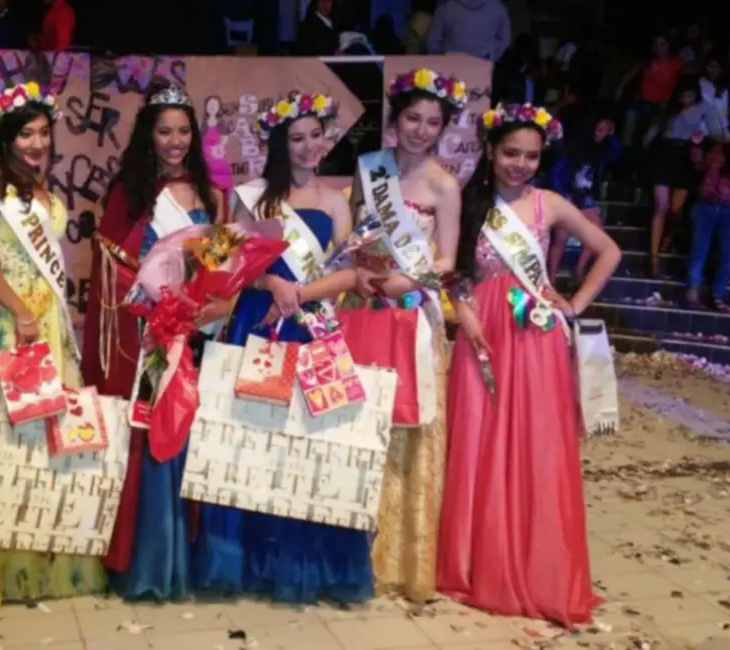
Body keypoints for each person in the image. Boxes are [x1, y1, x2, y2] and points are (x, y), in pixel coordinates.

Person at [438, 103, 620, 627]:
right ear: (490, 151)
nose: (519, 164)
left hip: (535, 335)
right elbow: (451, 272)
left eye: (531, 156)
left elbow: (608, 252)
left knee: (536, 443)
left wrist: (574, 304)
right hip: (482, 333)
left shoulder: (549, 203)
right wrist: (464, 313)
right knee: (479, 440)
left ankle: (534, 563)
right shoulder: (468, 202)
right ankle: (478, 562)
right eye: (510, 153)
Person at [192, 91, 375, 604]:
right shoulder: (252, 197)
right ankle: (244, 556)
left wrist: (299, 292)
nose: (309, 146)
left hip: (311, 325)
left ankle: (304, 561)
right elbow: (219, 261)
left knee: (312, 442)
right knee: (255, 435)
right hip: (260, 324)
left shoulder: (336, 200)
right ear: (278, 143)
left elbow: (350, 271)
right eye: (297, 138)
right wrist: (269, 282)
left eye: (316, 135)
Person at [0, 82, 104, 612]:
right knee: (2, 449)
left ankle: (43, 562)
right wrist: (19, 309)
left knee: (51, 445)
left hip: (48, 324)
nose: (37, 143)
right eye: (25, 134)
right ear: (6, 138)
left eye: (42, 133)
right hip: (9, 326)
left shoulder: (40, 187)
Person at [80, 80, 225, 599]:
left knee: (188, 431)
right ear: (149, 135)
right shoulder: (129, 193)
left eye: (184, 131)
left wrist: (208, 304)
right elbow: (110, 267)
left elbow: (218, 267)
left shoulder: (211, 195)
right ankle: (146, 559)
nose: (175, 141)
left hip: (193, 333)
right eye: (165, 132)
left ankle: (186, 553)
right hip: (147, 335)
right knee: (148, 434)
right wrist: (155, 307)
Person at [342, 68, 466, 603]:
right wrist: (360, 269)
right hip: (362, 304)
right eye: (413, 118)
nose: (420, 130)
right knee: (361, 418)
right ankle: (349, 550)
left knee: (409, 424)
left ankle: (400, 556)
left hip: (413, 313)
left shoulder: (445, 185)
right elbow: (352, 234)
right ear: (397, 119)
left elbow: (447, 259)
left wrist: (407, 281)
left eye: (432, 122)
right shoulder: (369, 167)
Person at [643, 75, 729, 276]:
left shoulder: (704, 107)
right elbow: (651, 134)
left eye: (690, 94)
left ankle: (668, 238)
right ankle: (654, 259)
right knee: (661, 205)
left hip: (685, 155)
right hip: (664, 153)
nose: (687, 98)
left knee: (675, 209)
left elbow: (720, 135)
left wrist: (704, 136)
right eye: (684, 94)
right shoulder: (669, 107)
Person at [547, 110, 622, 279]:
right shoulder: (573, 147)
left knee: (596, 233)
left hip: (586, 198)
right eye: (600, 129)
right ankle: (551, 278)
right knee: (561, 237)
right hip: (567, 195)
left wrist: (612, 136)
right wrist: (563, 196)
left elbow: (616, 154)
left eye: (605, 130)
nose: (602, 134)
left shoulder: (603, 149)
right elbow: (556, 173)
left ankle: (579, 270)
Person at [685, 129, 730, 310]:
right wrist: (696, 145)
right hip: (707, 205)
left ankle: (718, 294)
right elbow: (699, 165)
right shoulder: (719, 151)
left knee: (727, 253)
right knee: (699, 248)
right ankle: (693, 288)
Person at [615, 34, 683, 149]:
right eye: (656, 44)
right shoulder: (647, 61)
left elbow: (688, 77)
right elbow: (631, 73)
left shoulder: (676, 63)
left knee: (652, 133)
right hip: (643, 101)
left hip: (661, 105)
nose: (659, 47)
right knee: (630, 115)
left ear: (669, 46)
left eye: (662, 44)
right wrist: (620, 87)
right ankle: (626, 149)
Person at [426, 0, 510, 62]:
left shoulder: (446, 7)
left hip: (450, 63)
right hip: (484, 63)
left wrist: (440, 60)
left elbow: (433, 40)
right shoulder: (498, 8)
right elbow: (505, 39)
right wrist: (491, 55)